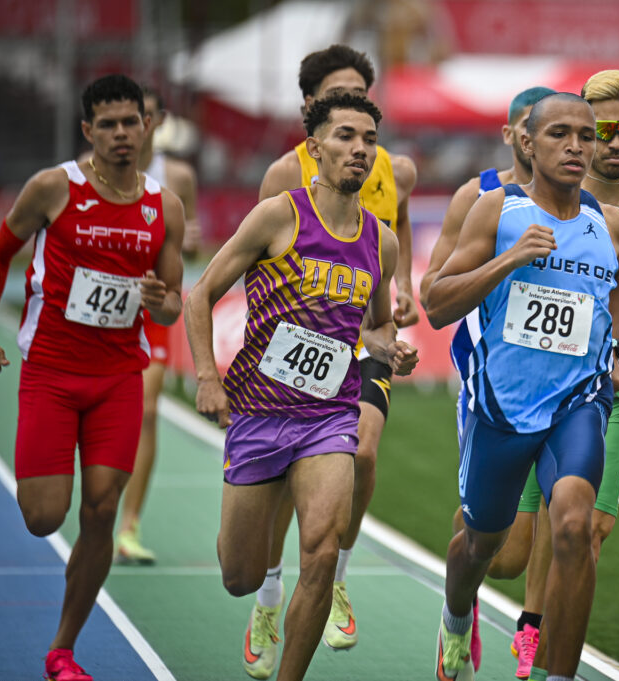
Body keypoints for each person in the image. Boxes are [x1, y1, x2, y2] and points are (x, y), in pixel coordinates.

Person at [183, 92, 418, 681]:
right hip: (259, 414)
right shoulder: (277, 216)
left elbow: (378, 322)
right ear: (315, 148)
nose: (359, 150)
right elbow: (200, 295)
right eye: (344, 136)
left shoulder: (380, 242)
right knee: (240, 575)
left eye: (368, 139)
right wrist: (208, 378)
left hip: (330, 417)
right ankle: (254, 580)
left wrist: (390, 347)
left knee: (319, 551)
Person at [0, 74, 185, 681]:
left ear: (147, 126)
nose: (123, 133)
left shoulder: (164, 205)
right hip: (52, 373)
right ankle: (62, 642)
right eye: (109, 124)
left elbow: (171, 306)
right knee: (43, 515)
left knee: (100, 510)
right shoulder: (53, 188)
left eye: (132, 121)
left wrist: (156, 298)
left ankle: (62, 651)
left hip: (118, 376)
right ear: (88, 130)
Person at [426, 92, 619, 681]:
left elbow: (613, 289)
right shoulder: (497, 210)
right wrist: (509, 260)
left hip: (578, 401)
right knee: (483, 549)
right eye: (560, 134)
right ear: (526, 142)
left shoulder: (607, 222)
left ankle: (557, 674)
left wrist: (612, 349)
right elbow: (438, 303)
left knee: (574, 524)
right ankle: (456, 619)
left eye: (585, 137)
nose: (576, 146)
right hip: (503, 409)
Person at [243, 44, 419, 676]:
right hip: (295, 351)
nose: (357, 139)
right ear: (311, 116)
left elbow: (395, 233)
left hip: (362, 338)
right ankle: (265, 594)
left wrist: (401, 300)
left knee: (363, 454)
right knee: (285, 483)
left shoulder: (395, 166)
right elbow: (256, 266)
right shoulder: (280, 176)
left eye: (361, 103)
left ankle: (333, 575)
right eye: (336, 109)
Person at [518, 69, 619, 681]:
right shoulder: (539, 197)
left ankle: (548, 660)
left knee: (587, 529)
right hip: (526, 389)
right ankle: (486, 614)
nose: (615, 144)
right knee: (509, 550)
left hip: (603, 392)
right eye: (605, 130)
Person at [419, 84, 556, 676]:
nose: (546, 138)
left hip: (566, 383)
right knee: (499, 553)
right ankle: (463, 596)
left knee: (570, 511)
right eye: (531, 125)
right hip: (492, 377)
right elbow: (434, 290)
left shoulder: (583, 202)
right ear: (511, 135)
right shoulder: (479, 195)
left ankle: (537, 631)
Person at [113, 85, 201, 565]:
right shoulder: (90, 168)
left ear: (159, 119)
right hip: (105, 309)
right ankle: (99, 503)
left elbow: (190, 244)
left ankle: (130, 524)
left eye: (143, 116)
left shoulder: (178, 177)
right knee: (108, 406)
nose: (133, 127)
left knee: (146, 411)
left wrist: (189, 244)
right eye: (123, 118)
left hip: (157, 306)